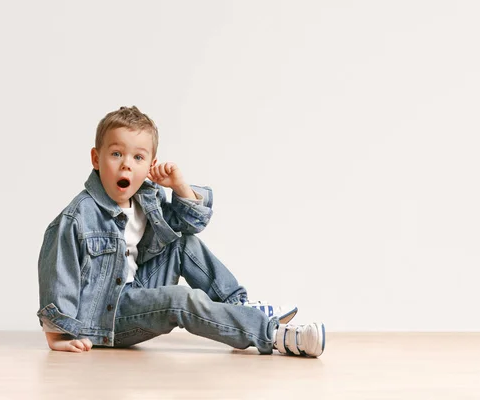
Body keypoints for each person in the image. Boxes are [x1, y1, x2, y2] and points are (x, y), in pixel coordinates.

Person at [37, 106, 325, 357]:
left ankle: (239, 307)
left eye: (138, 158)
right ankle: (273, 335)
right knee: (180, 299)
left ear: (150, 166)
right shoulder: (77, 217)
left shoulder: (146, 198)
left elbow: (191, 226)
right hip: (107, 317)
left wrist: (179, 187)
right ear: (96, 159)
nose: (126, 163)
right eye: (116, 153)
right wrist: (58, 334)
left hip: (136, 290)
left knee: (182, 243)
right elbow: (58, 275)